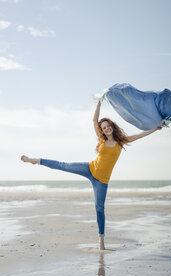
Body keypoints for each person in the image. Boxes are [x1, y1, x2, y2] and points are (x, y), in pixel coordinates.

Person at [21, 101, 162, 250]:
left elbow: (139, 135)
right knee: (64, 165)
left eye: (108, 126)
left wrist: (154, 129)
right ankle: (35, 160)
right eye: (104, 127)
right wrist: (99, 103)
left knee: (99, 208)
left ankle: (101, 242)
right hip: (89, 168)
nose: (107, 128)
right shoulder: (101, 139)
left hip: (102, 181)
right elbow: (94, 120)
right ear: (102, 130)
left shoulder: (120, 142)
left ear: (112, 127)